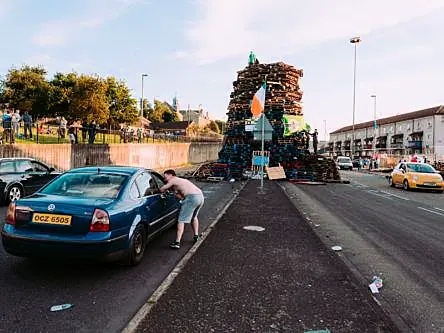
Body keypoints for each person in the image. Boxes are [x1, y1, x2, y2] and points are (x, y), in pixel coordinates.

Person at [160, 169, 204, 249]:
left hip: (192, 197)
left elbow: (162, 189)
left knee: (181, 220)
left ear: (171, 175)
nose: (164, 178)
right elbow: (182, 197)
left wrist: (162, 189)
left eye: (165, 176)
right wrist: (174, 192)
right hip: (200, 196)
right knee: (194, 217)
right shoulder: (181, 181)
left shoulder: (173, 180)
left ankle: (177, 242)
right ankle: (196, 236)